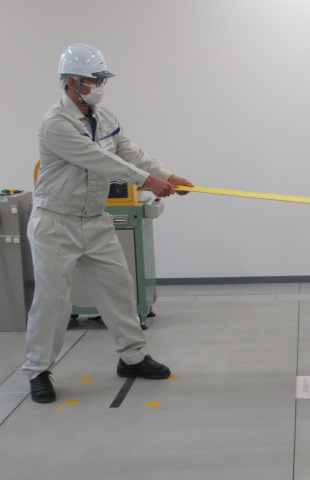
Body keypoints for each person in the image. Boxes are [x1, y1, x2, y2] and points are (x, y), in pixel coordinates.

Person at [24, 43, 193, 403]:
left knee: (119, 289)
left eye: (102, 79)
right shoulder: (55, 123)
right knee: (53, 301)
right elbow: (98, 160)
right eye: (94, 79)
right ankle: (38, 370)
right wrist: (148, 181)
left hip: (94, 220)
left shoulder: (104, 117)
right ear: (72, 82)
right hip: (56, 223)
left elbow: (130, 152)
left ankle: (132, 358)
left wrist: (167, 175)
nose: (100, 85)